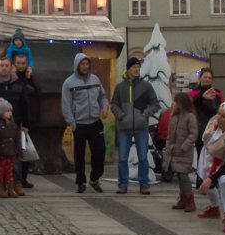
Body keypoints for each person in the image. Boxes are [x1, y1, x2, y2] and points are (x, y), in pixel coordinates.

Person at [111, 56, 161, 195]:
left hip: (141, 128)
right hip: (124, 128)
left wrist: (145, 114)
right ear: (128, 69)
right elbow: (114, 104)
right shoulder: (120, 87)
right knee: (122, 158)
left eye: (138, 67)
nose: (137, 69)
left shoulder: (146, 86)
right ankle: (122, 184)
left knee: (143, 157)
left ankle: (144, 184)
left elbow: (155, 104)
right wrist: (121, 116)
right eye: (134, 67)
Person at [61, 53, 108, 194]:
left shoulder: (95, 79)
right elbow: (66, 104)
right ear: (77, 65)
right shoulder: (69, 83)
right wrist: (71, 122)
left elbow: (103, 96)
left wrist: (104, 107)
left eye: (87, 64)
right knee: (79, 155)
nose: (85, 66)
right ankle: (81, 181)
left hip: (95, 122)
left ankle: (94, 178)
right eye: (82, 64)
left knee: (100, 152)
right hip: (79, 124)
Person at [196, 101, 225, 232]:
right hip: (208, 157)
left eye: (223, 116)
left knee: (224, 181)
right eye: (219, 114)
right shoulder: (213, 123)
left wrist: (212, 178)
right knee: (206, 181)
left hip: (223, 162)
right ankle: (214, 208)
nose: (218, 118)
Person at [162, 91, 198, 209]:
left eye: (176, 101)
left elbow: (193, 134)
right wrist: (168, 147)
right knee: (179, 175)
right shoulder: (174, 116)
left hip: (184, 152)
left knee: (184, 176)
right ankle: (183, 198)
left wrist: (184, 146)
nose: (174, 103)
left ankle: (190, 200)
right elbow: (170, 134)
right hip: (174, 151)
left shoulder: (190, 116)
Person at [10, 53, 40, 189]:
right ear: (14, 63)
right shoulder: (11, 79)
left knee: (26, 150)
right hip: (14, 118)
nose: (21, 66)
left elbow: (34, 93)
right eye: (18, 63)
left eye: (23, 63)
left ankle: (23, 177)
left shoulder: (29, 78)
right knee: (14, 150)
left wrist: (28, 78)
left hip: (28, 118)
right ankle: (15, 178)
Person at [0, 98, 21, 198]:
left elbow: (16, 139)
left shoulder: (13, 124)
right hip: (1, 152)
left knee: (10, 171)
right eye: (7, 111)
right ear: (1, 112)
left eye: (10, 111)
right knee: (0, 171)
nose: (10, 113)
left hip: (11, 152)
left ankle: (10, 188)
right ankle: (0, 188)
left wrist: (18, 150)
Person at [189, 69, 224, 136]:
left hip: (214, 125)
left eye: (209, 78)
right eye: (205, 77)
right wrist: (201, 97)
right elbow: (189, 108)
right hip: (197, 125)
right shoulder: (192, 93)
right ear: (200, 78)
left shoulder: (217, 93)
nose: (207, 79)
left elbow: (222, 109)